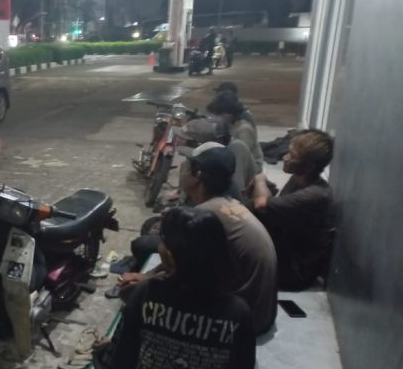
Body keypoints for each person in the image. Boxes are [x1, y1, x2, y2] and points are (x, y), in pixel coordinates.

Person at [97, 206, 256, 369]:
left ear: (171, 254)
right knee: (253, 367)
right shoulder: (238, 312)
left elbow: (118, 363)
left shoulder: (146, 293)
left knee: (101, 350)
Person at [120, 145, 278, 336]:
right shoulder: (227, 203)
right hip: (259, 312)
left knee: (139, 300)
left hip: (242, 321)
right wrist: (147, 277)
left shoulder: (203, 217)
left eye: (186, 165)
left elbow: (185, 272)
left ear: (197, 175)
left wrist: (145, 287)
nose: (181, 169)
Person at [246, 129, 335, 290]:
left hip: (296, 272)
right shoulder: (298, 180)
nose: (285, 157)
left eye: (292, 156)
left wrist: (260, 179)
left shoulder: (316, 194)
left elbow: (261, 204)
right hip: (287, 252)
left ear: (309, 166)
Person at [207, 91, 264, 172]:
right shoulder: (229, 125)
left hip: (251, 167)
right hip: (236, 161)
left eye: (219, 115)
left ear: (228, 114)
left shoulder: (244, 129)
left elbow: (241, 156)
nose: (216, 118)